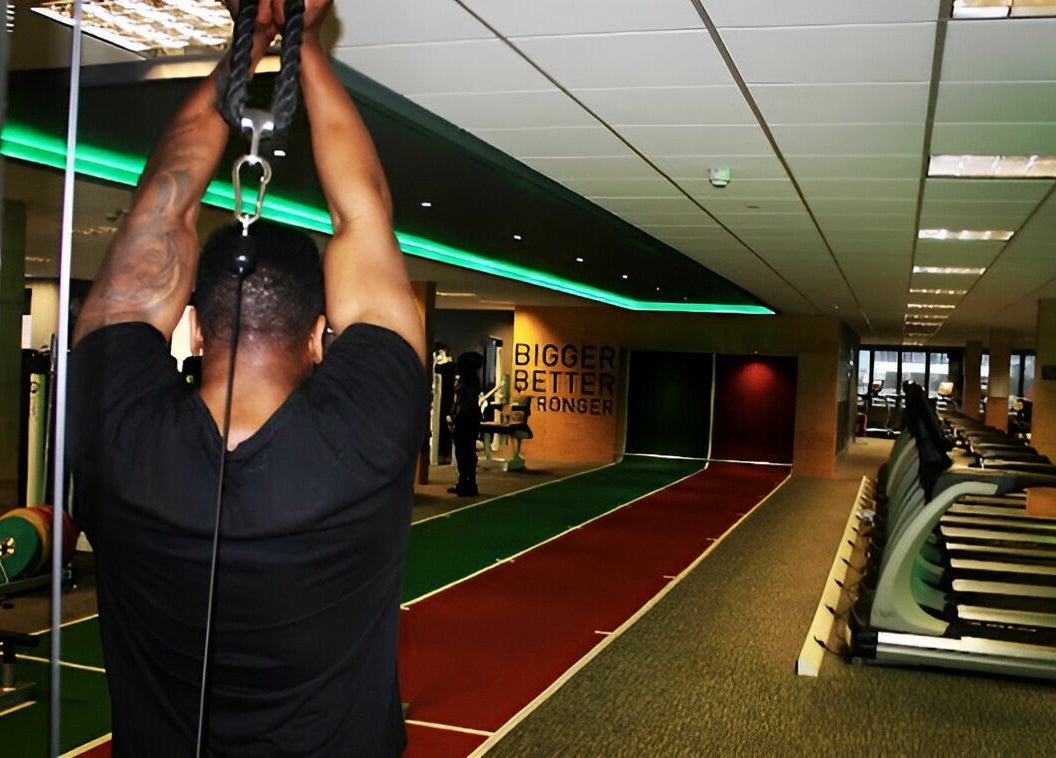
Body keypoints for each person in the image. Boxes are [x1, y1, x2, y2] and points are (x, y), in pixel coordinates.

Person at [66, 1, 427, 755]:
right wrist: (303, 40)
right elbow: (363, 212)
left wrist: (254, 36)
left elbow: (163, 209)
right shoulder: (364, 437)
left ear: (195, 328)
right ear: (321, 337)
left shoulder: (116, 430)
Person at [447, 351, 483, 496]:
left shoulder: (469, 382)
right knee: (463, 453)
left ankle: (468, 484)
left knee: (465, 453)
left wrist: (455, 417)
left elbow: (466, 404)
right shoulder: (468, 380)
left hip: (466, 421)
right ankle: (465, 482)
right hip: (466, 420)